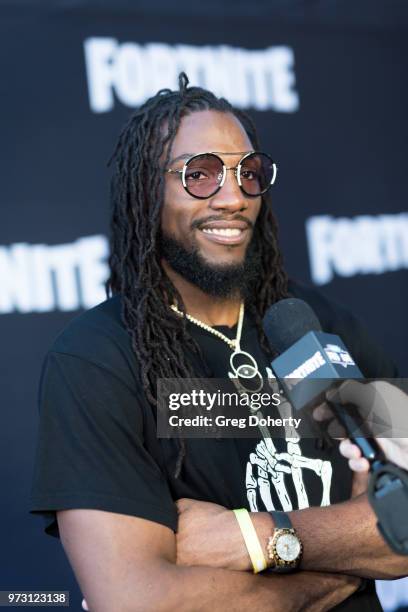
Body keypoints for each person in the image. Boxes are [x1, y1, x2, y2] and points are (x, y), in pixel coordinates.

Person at [30, 73, 407, 612]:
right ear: (146, 191)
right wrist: (342, 568)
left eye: (248, 174)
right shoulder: (94, 361)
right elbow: (139, 601)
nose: (233, 197)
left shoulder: (317, 324)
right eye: (200, 174)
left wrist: (255, 537)